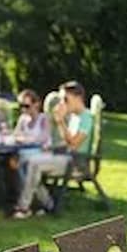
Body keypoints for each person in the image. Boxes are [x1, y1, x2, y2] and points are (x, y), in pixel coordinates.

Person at [12, 81, 94, 219]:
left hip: (75, 162)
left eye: (65, 99)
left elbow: (74, 144)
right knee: (28, 163)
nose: (62, 103)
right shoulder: (75, 116)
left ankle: (24, 207)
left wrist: (61, 122)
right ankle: (48, 204)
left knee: (33, 163)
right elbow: (68, 141)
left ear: (78, 97)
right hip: (66, 156)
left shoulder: (86, 117)